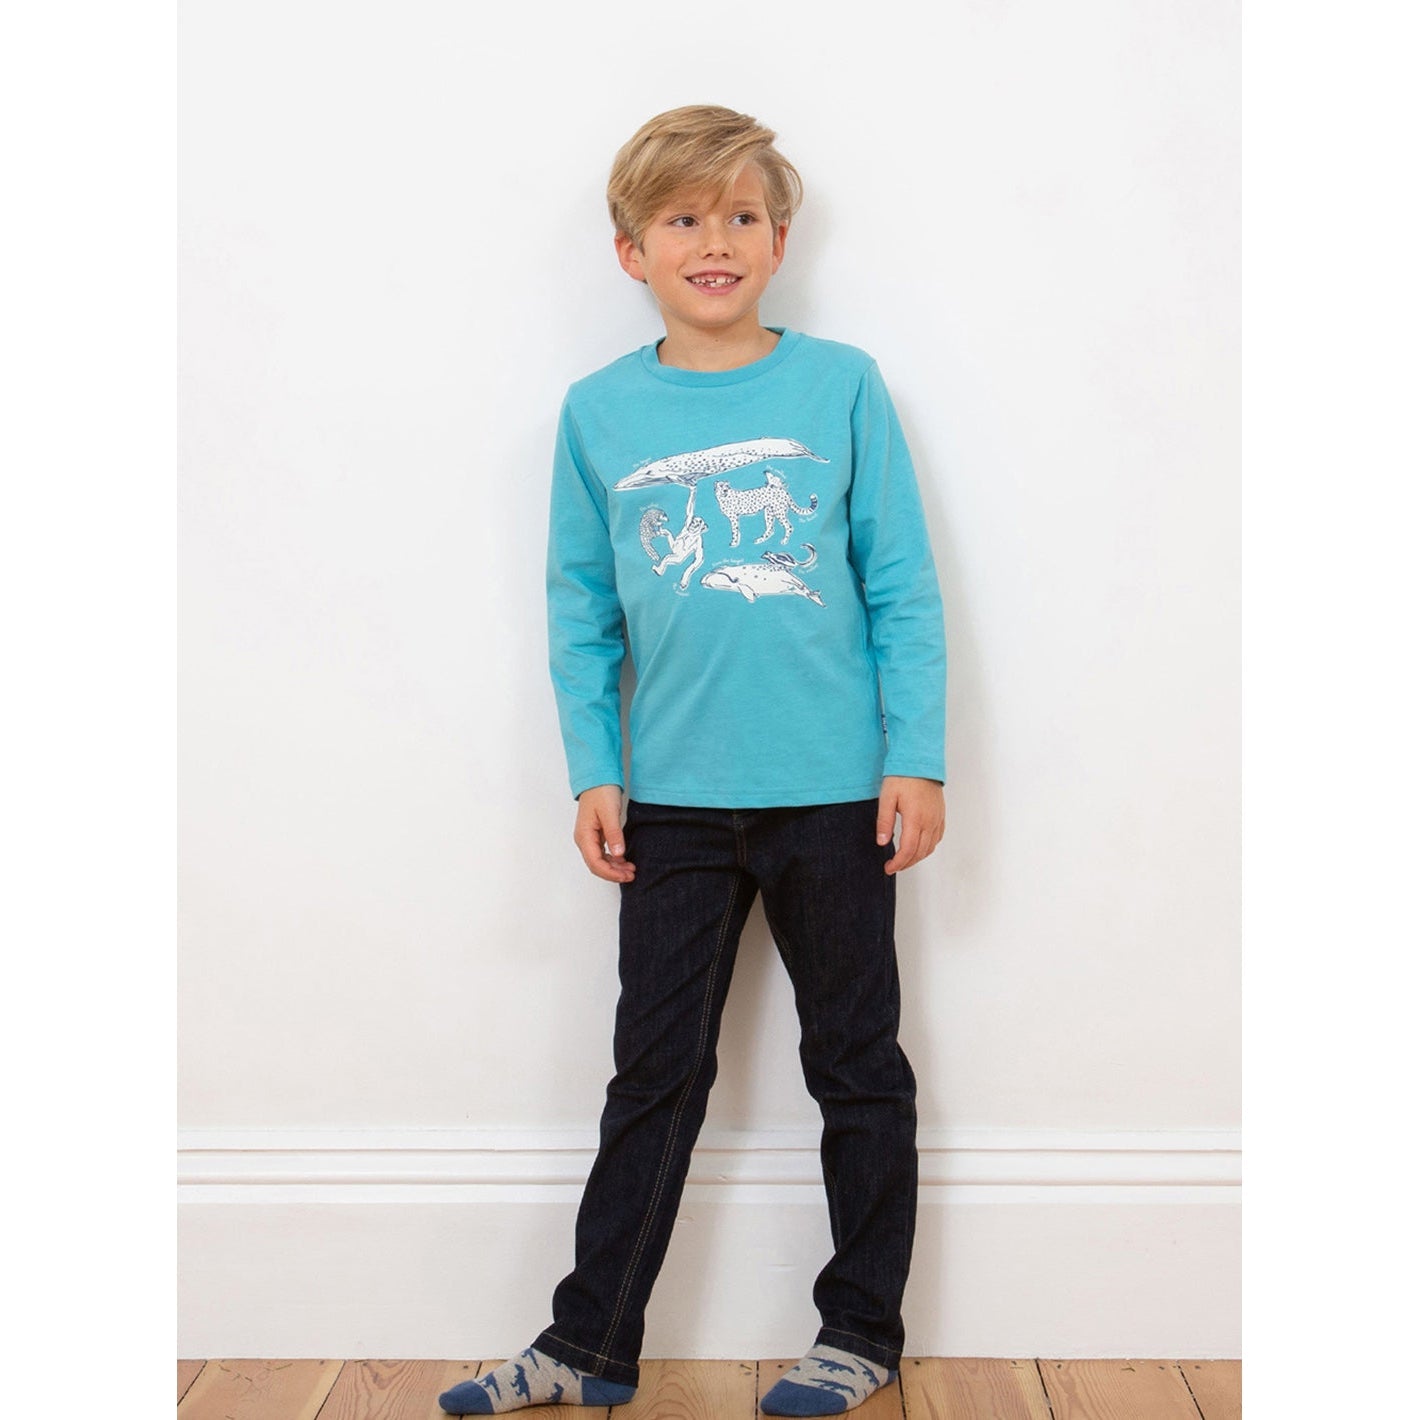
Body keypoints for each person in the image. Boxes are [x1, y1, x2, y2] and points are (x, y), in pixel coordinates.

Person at [439, 105, 947, 1418]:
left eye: (739, 216)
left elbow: (900, 583)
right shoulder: (598, 413)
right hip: (670, 803)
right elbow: (579, 615)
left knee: (858, 1065)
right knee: (653, 1075)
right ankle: (590, 1345)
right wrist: (593, 770)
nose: (712, 241)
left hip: (837, 798)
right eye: (682, 218)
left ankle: (861, 1332)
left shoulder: (842, 386)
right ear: (631, 252)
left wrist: (917, 755)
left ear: (778, 240)